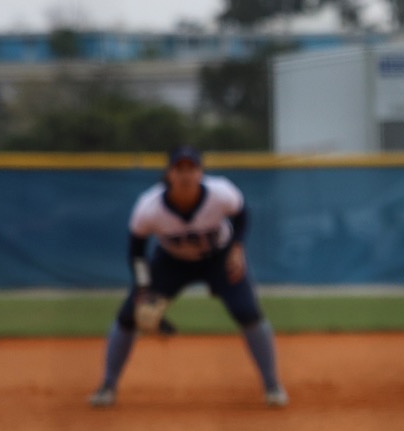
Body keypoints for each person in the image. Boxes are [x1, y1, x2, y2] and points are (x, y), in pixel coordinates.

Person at [88, 144, 287, 409]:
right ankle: (107, 386)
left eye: (191, 168)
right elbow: (137, 253)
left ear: (200, 173)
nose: (185, 175)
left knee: (247, 312)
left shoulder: (220, 193)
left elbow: (241, 215)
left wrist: (237, 248)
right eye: (179, 169)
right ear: (168, 174)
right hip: (172, 263)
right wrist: (143, 289)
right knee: (128, 316)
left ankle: (272, 385)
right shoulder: (149, 207)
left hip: (219, 258)